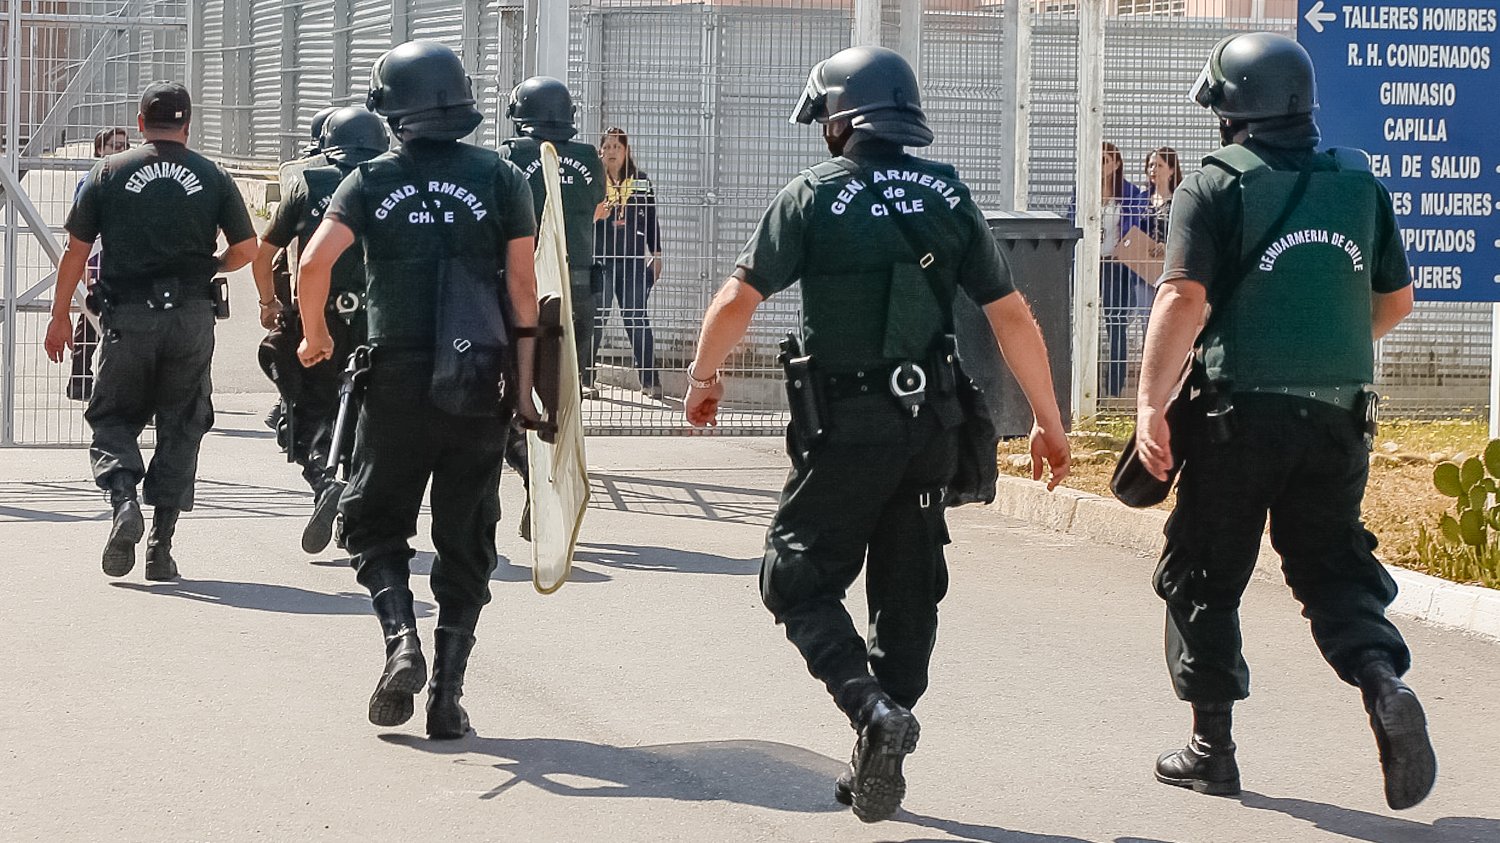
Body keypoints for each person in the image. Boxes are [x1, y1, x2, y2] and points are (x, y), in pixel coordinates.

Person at [683, 46, 1070, 823]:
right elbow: (1012, 316)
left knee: (793, 578)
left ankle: (872, 713)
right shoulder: (948, 191)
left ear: (841, 120)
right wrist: (1050, 425)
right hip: (929, 427)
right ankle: (880, 738)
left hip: (846, 426)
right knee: (907, 590)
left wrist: (702, 377)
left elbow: (736, 299)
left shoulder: (812, 196)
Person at [1134, 32, 1433, 810]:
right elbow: (1395, 303)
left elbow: (1182, 299)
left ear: (1232, 109)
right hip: (1340, 417)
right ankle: (1384, 683)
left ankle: (1211, 748)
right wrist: (1318, 355)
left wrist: (1147, 406)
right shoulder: (1358, 185)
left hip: (1238, 420)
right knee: (1333, 568)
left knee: (1204, 572)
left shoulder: (1214, 186)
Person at [295, 40, 540, 740]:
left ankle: (400, 641)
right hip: (478, 380)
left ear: (392, 108)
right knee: (467, 538)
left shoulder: (368, 179)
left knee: (374, 524)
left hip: (395, 380)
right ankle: (448, 695)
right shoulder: (501, 178)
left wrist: (315, 335)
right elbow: (524, 291)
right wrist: (523, 391)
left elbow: (315, 263)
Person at [43, 81, 258, 581]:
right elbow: (246, 250)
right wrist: (212, 268)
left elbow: (76, 252)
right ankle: (161, 548)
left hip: (128, 317)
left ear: (141, 123)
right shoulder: (213, 175)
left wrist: (59, 317)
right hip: (190, 317)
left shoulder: (108, 172)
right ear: (187, 125)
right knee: (182, 424)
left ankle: (122, 504)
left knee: (114, 416)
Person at [252, 106, 389, 553]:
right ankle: (353, 505)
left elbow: (264, 254)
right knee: (368, 416)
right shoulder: (393, 181)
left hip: (318, 315)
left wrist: (270, 304)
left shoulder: (306, 182)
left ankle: (322, 478)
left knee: (309, 408)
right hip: (378, 318)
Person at [499, 75, 606, 540]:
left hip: (525, 288)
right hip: (577, 287)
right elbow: (599, 205)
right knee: (562, 394)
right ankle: (553, 485)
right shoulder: (587, 159)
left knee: (512, 391)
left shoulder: (510, 156)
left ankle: (527, 480)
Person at [263, 106, 341, 438]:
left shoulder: (295, 172)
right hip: (344, 283)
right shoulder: (369, 173)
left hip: (295, 278)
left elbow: (275, 246)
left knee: (296, 348)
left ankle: (288, 407)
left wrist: (268, 301)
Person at [594, 127, 663, 400]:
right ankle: (586, 378)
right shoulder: (594, 182)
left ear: (626, 152)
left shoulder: (640, 180)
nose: (612, 152)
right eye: (607, 147)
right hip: (600, 260)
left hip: (633, 260)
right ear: (600, 152)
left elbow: (651, 219)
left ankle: (649, 380)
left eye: (617, 147)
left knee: (636, 318)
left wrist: (656, 255)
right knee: (597, 318)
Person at [66, 127, 132, 402]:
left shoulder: (133, 179)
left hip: (128, 257)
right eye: (114, 146)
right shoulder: (91, 181)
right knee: (91, 314)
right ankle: (81, 379)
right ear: (100, 150)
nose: (121, 150)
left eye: (125, 145)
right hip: (98, 254)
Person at [1144, 146, 1182, 256]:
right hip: (1140, 263)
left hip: (1168, 262)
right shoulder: (1141, 199)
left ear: (1171, 170)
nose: (1153, 170)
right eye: (1151, 165)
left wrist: (1167, 246)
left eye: (1159, 165)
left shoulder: (1179, 200)